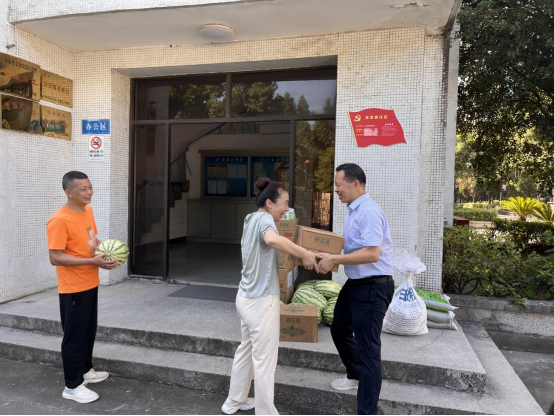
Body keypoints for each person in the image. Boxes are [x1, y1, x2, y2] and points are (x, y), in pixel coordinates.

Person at [222, 177, 319, 415]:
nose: (287, 208)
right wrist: (305, 253)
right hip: (261, 302)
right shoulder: (266, 219)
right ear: (269, 203)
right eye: (284, 203)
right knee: (264, 361)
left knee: (246, 351)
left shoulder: (250, 218)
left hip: (245, 297)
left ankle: (234, 402)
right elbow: (272, 239)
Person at [317, 163, 394, 415]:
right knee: (339, 327)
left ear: (356, 183)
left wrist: (335, 260)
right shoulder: (353, 210)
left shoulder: (368, 211)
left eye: (339, 184)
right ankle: (356, 374)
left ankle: (367, 411)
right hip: (356, 284)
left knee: (368, 350)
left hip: (373, 287)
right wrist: (325, 254)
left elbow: (372, 254)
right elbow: (354, 249)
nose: (336, 189)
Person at [46, 171, 119, 403]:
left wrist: (107, 252)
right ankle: (72, 386)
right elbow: (55, 257)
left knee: (88, 331)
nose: (89, 192)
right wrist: (92, 262)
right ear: (69, 192)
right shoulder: (59, 220)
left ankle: (85, 371)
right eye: (83, 189)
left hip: (90, 282)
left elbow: (92, 240)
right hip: (73, 287)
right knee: (75, 336)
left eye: (90, 187)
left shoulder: (87, 211)